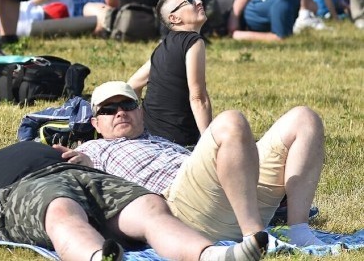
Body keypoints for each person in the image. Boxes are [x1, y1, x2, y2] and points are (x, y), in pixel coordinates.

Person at [0, 136, 268, 261]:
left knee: (151, 207)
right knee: (61, 212)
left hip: (82, 174)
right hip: (19, 193)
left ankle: (212, 256)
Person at [69, 81, 325, 247]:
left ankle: (298, 230)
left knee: (304, 118)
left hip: (242, 197)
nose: (120, 112)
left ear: (141, 111)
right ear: (95, 124)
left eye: (127, 104)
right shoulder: (94, 148)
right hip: (184, 211)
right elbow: (77, 170)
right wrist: (79, 161)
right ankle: (256, 238)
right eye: (108, 110)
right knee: (231, 122)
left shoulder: (160, 141)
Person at [128, 0, 211, 147]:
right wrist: (209, 145)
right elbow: (198, 98)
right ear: (174, 18)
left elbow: (133, 84)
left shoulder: (163, 47)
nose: (199, 1)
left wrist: (139, 121)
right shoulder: (193, 41)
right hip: (179, 141)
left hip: (148, 137)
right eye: (190, 1)